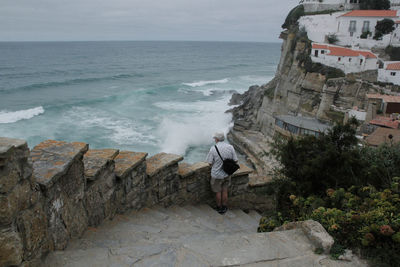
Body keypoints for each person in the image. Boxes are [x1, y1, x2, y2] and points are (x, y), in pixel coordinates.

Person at [206, 132, 238, 214]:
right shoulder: (230, 147)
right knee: (225, 190)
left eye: (214, 138)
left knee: (218, 192)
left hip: (216, 175)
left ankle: (219, 207)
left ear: (217, 139)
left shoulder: (213, 148)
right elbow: (235, 160)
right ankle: (224, 207)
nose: (214, 139)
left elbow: (209, 162)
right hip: (227, 174)